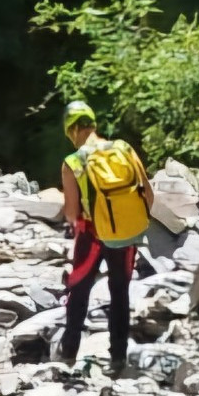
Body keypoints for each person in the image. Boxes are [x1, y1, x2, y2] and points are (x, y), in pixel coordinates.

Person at [57, 101, 152, 372]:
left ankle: (69, 354)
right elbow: (148, 194)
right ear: (93, 124)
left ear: (72, 130)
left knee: (79, 289)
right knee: (120, 293)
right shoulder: (124, 148)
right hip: (126, 232)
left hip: (92, 233)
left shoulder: (73, 162)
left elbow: (72, 213)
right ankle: (118, 358)